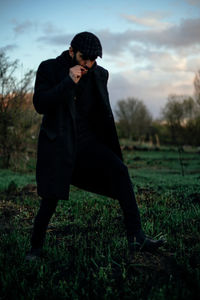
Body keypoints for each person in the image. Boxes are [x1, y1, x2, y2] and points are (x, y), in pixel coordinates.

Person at [26, 32, 164, 261]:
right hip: (60, 146)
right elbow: (40, 104)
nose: (88, 64)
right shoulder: (48, 68)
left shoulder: (100, 74)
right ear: (71, 52)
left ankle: (136, 237)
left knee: (120, 171)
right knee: (50, 199)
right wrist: (67, 82)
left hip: (88, 144)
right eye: (83, 58)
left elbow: (101, 111)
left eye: (93, 59)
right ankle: (35, 249)